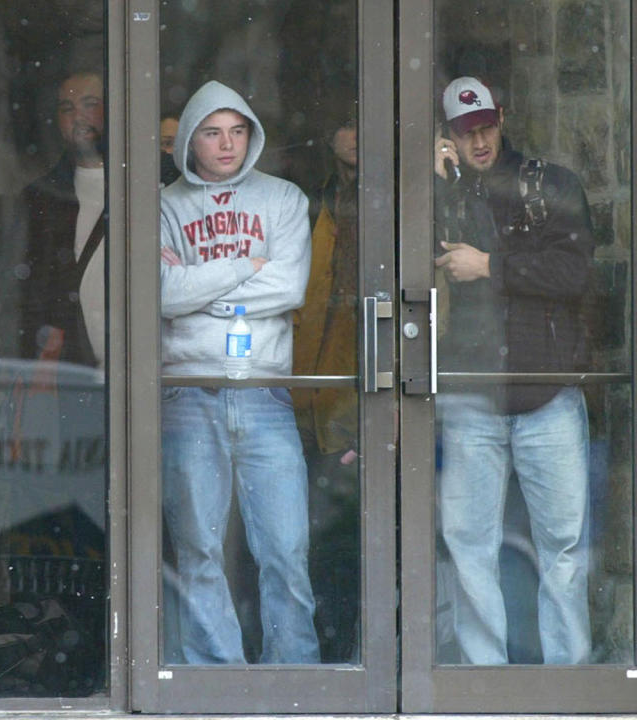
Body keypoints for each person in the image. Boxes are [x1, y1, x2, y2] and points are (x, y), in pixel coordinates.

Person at [434, 76, 594, 665]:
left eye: (485, 127)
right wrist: (432, 180)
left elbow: (573, 274)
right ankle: (484, 679)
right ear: (447, 135)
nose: (478, 141)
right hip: (473, 395)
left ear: (502, 119)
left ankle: (569, 680)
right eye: (463, 131)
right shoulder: (444, 193)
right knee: (468, 543)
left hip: (546, 393)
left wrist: (491, 267)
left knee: (564, 546)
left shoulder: (549, 182)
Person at [159, 80, 320, 664]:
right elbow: (159, 294)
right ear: (189, 142)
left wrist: (201, 289)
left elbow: (288, 286)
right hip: (184, 391)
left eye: (237, 131)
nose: (226, 144)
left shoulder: (284, 199)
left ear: (251, 136)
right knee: (198, 548)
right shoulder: (162, 205)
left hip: (262, 390)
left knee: (284, 547)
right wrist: (239, 266)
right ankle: (213, 678)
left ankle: (293, 676)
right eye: (211, 132)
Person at [291, 118, 359, 662]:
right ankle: (322, 668)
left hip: (366, 407)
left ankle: (347, 668)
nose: (356, 132)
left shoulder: (396, 203)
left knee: (349, 554)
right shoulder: (310, 206)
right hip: (304, 407)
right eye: (347, 122)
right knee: (306, 551)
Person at [19, 71, 106, 368]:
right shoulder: (42, 197)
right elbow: (28, 290)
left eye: (90, 104)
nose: (78, 117)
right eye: (67, 109)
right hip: (72, 370)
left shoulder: (152, 185)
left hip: (147, 367)